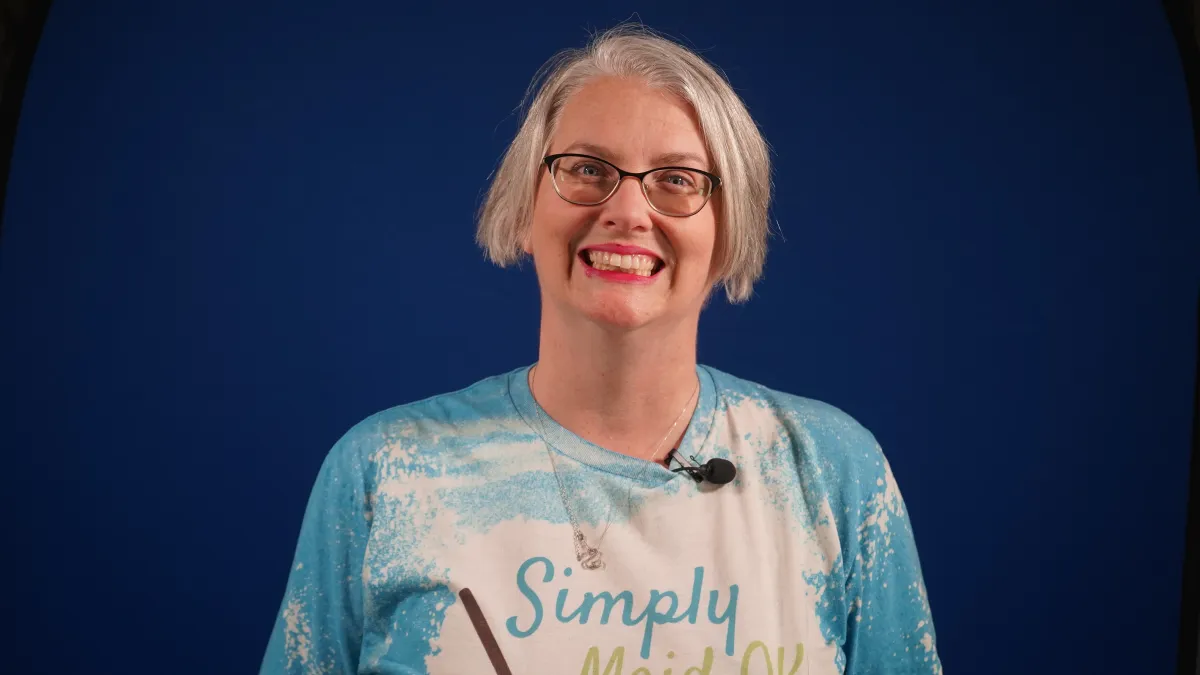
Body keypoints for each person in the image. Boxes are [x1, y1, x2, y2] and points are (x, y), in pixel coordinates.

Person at [260, 23, 941, 675]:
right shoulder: (385, 471)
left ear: (727, 230)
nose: (628, 210)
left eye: (677, 179)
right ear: (526, 210)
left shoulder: (835, 472)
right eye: (587, 168)